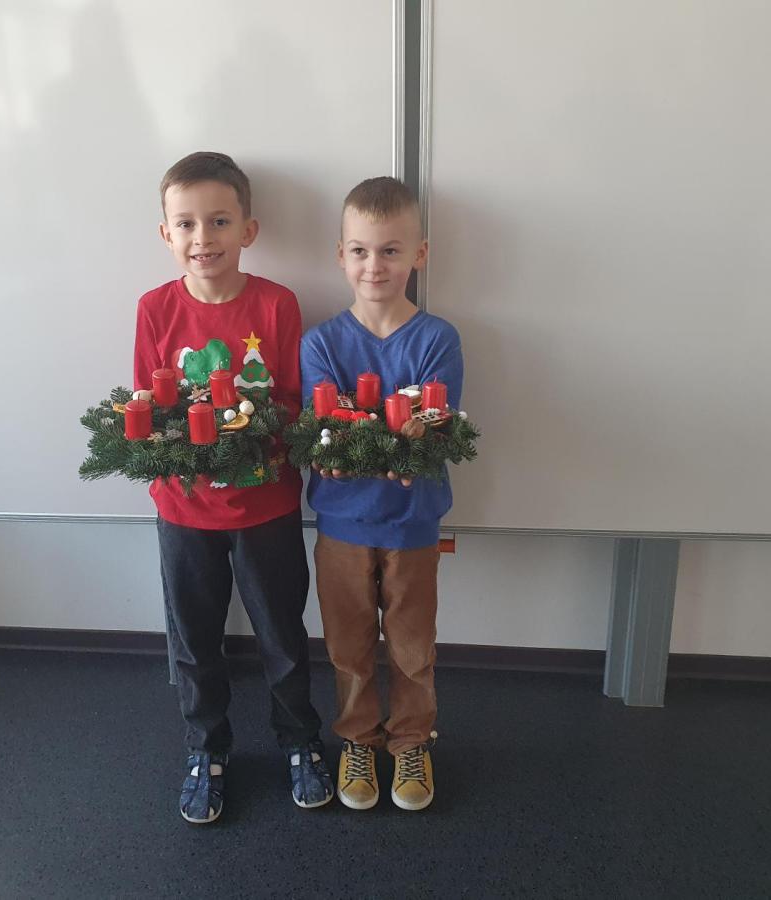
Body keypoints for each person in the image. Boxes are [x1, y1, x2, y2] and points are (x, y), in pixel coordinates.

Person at [133, 151, 333, 824]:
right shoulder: (155, 309)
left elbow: (292, 400)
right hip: (184, 509)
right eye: (186, 224)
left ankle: (299, 741)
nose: (203, 237)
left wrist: (253, 431)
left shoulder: (276, 304)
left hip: (266, 505)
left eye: (219, 221)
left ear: (248, 230)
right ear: (167, 234)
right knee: (194, 640)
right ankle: (206, 749)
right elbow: (148, 406)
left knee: (282, 633)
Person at [301, 176, 463, 811]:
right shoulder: (321, 343)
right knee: (347, 646)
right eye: (361, 251)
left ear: (418, 254)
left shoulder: (437, 339)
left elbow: (434, 429)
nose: (375, 266)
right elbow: (324, 433)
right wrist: (364, 444)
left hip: (413, 522)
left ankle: (413, 740)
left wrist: (383, 440)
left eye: (391, 251)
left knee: (412, 645)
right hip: (341, 522)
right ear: (340, 255)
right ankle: (358, 740)